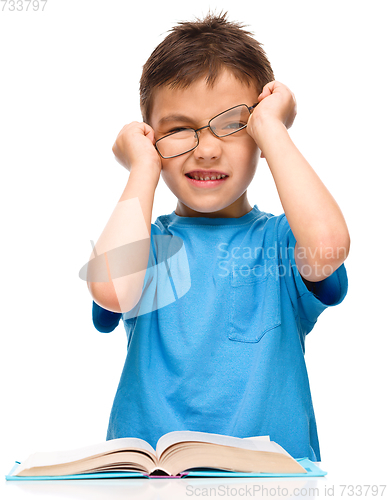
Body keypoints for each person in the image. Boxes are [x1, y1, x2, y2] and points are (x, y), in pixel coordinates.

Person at [86, 12, 350, 462]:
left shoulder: (283, 242)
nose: (206, 149)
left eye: (233, 124)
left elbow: (328, 246)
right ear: (151, 140)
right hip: (149, 485)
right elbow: (112, 291)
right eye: (178, 130)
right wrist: (143, 168)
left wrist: (271, 128)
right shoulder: (144, 247)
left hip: (270, 484)